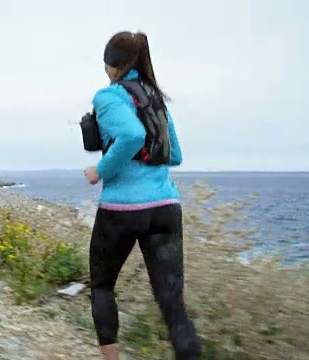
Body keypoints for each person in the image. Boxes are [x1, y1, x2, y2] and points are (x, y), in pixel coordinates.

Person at [83, 31, 202, 360]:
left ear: (111, 64)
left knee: (103, 286)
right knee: (172, 304)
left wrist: (100, 171)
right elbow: (175, 155)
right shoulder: (154, 96)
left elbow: (132, 135)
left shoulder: (108, 97)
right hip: (165, 207)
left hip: (121, 210)